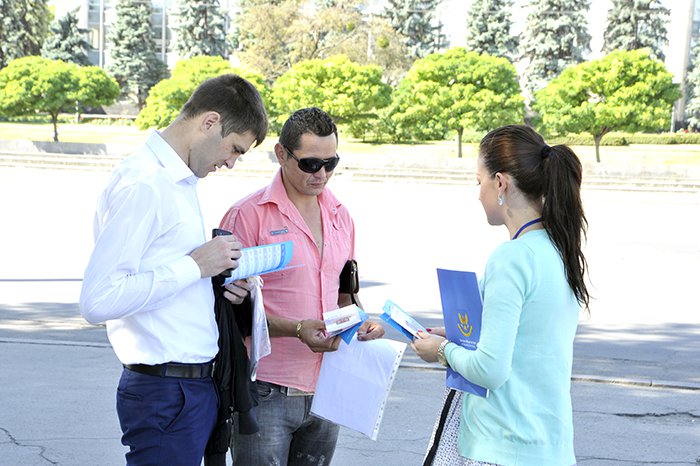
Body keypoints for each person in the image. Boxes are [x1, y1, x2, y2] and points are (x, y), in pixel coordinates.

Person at [79, 74, 268, 466]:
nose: (231, 162)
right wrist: (195, 266)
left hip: (191, 388)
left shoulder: (178, 181)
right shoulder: (145, 183)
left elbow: (170, 274)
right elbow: (98, 300)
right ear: (210, 122)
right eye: (235, 149)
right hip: (165, 391)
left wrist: (220, 280)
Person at [412, 124, 590, 466]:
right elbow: (529, 340)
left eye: (478, 181)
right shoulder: (559, 249)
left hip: (500, 443)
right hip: (548, 445)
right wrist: (461, 334)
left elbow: (490, 370)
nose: (477, 193)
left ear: (500, 183)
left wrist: (442, 350)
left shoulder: (512, 258)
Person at [219, 107, 385, 466]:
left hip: (327, 386)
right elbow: (228, 313)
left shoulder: (341, 215)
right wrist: (296, 329)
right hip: (264, 388)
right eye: (310, 164)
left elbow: (345, 294)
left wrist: (361, 322)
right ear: (281, 154)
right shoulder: (247, 215)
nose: (321, 174)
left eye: (331, 163)